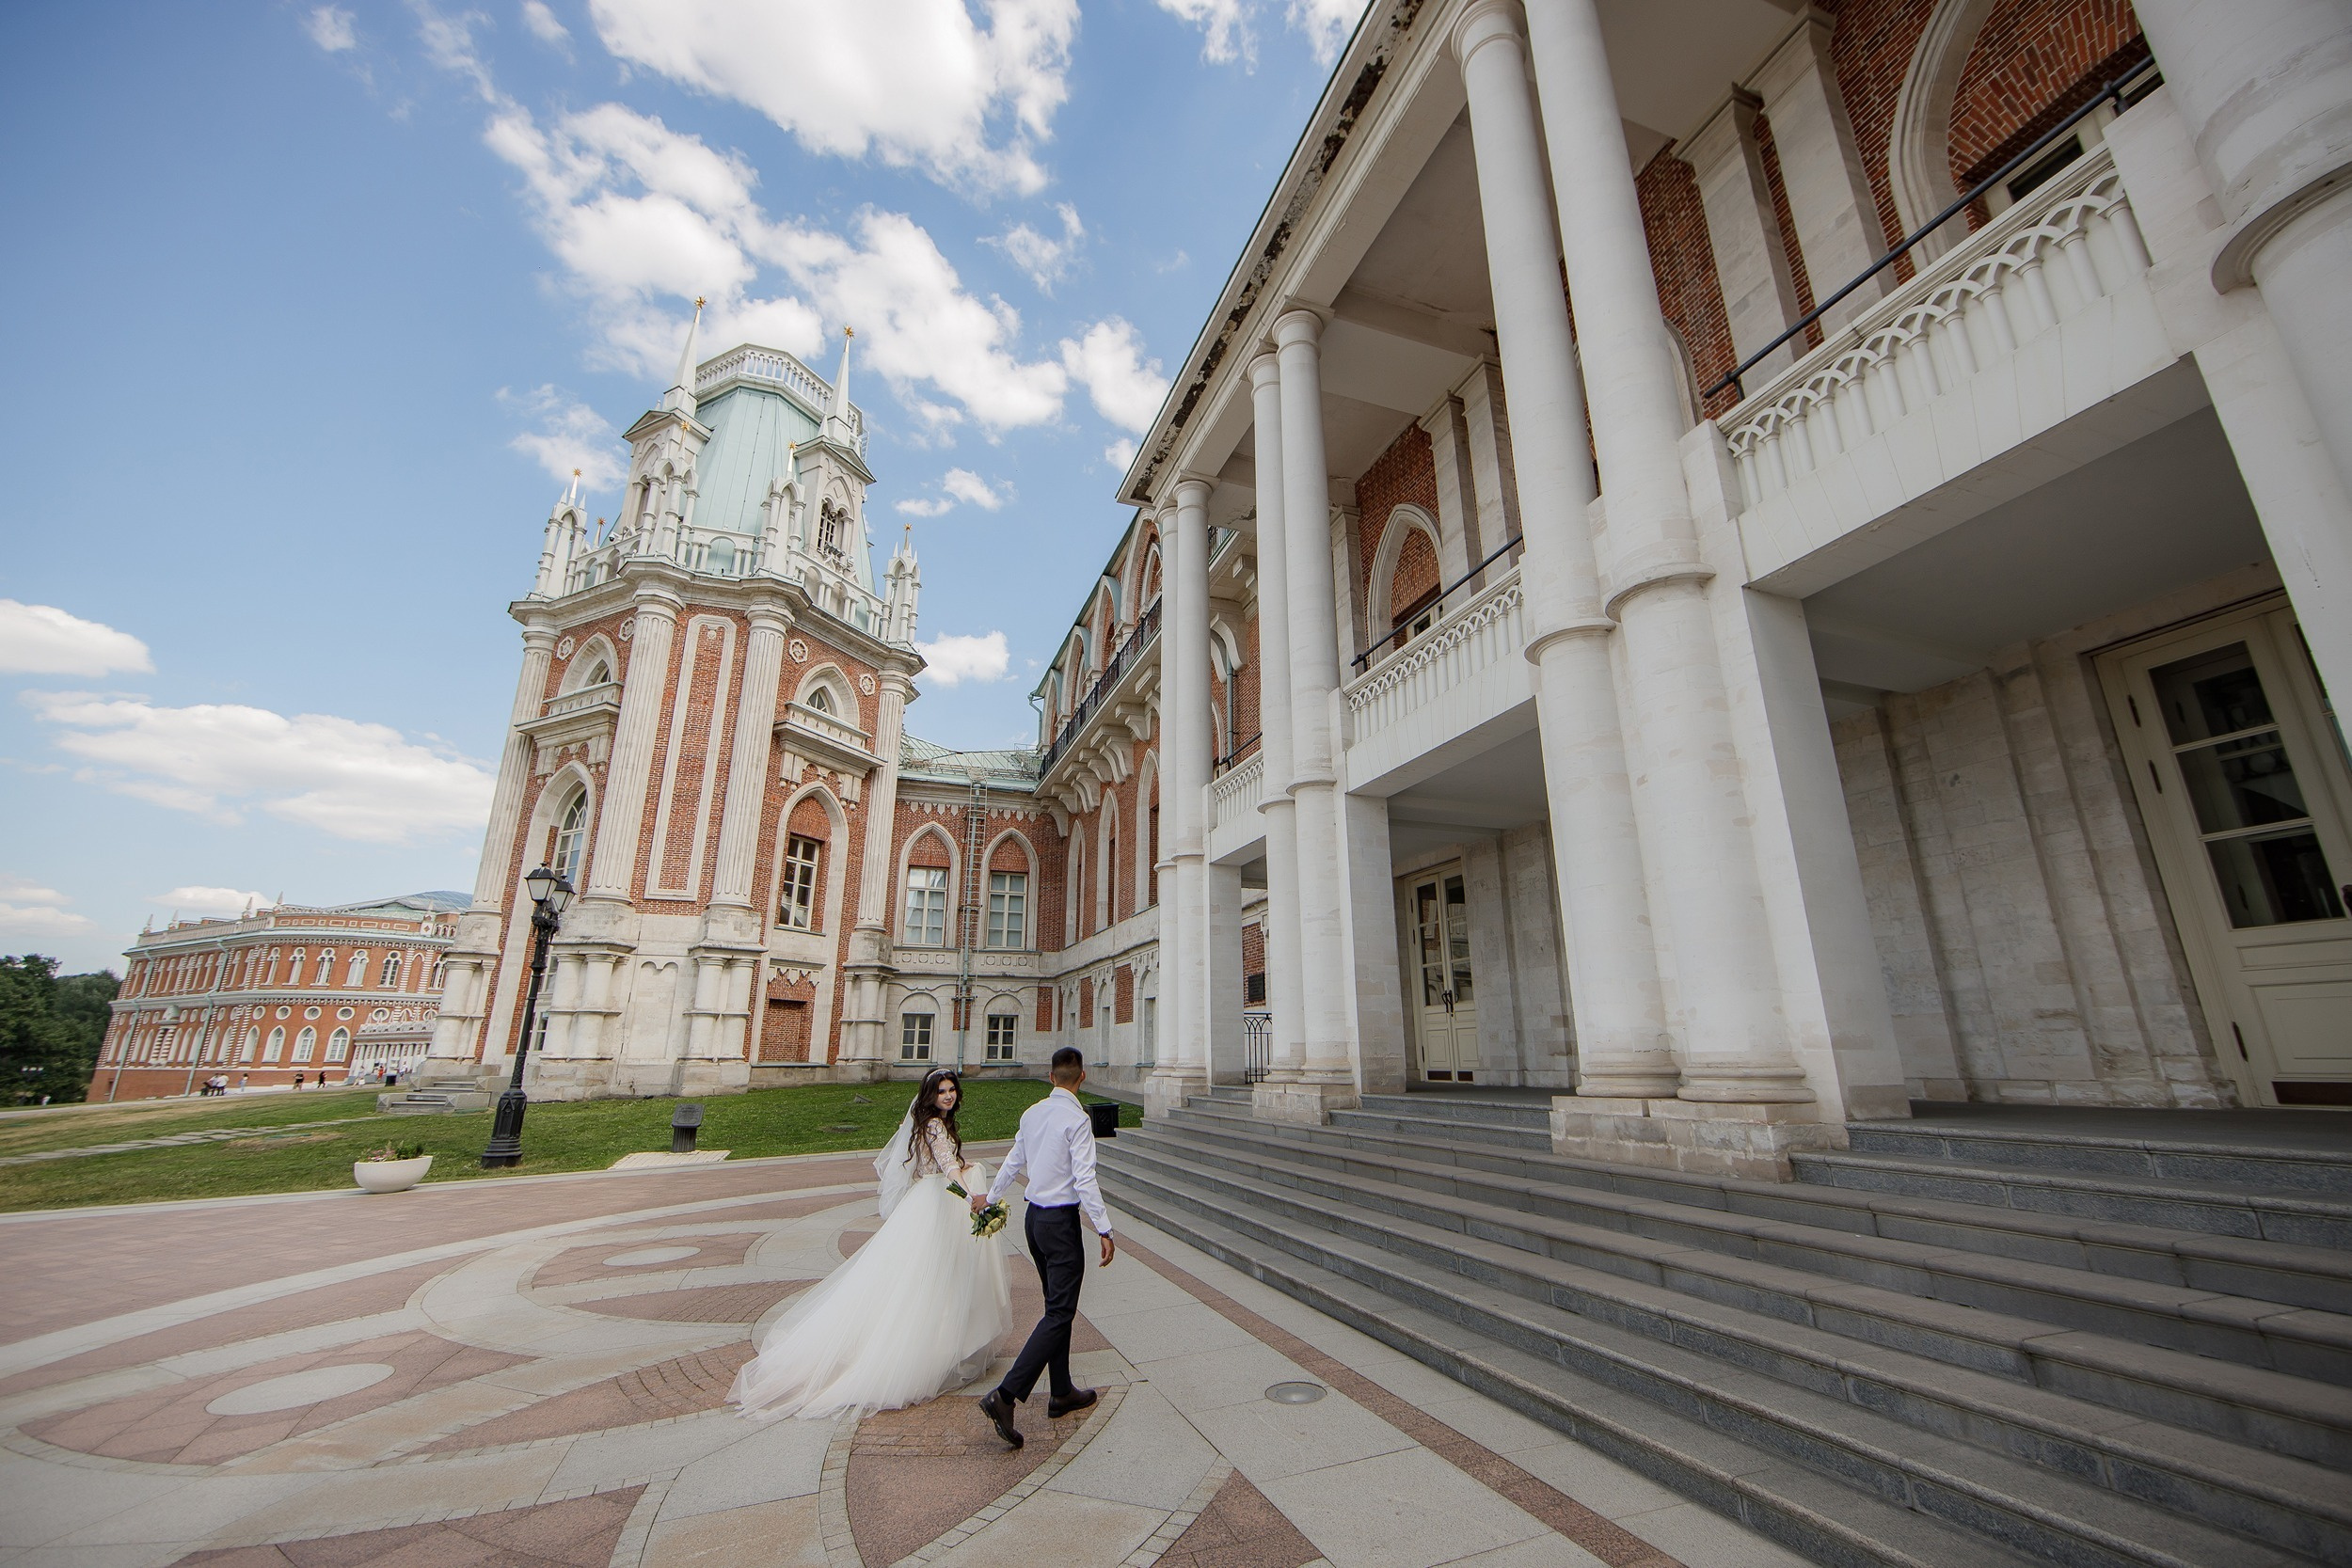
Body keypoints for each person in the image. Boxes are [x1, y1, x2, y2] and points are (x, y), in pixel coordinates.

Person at [730, 1069, 1011, 1420]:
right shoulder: (936, 1126)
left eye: (952, 1090)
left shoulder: (928, 1123)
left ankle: (935, 1345)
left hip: (925, 1198)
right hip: (937, 1200)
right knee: (934, 1275)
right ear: (930, 1095)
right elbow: (945, 1166)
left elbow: (935, 1163)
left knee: (915, 1275)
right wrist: (973, 1193)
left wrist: (960, 1166)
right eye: (942, 1092)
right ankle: (931, 1351)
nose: (949, 1096)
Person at [974, 1048, 1114, 1449]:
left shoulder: (1032, 1113)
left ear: (1052, 1078)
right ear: (1081, 1078)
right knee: (1059, 1312)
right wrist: (1104, 1228)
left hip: (1035, 1220)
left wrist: (990, 1197)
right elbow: (1085, 1179)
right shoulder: (1077, 1119)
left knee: (1056, 1306)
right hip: (1061, 1224)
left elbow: (1014, 1161)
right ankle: (1005, 1395)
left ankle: (1061, 1390)